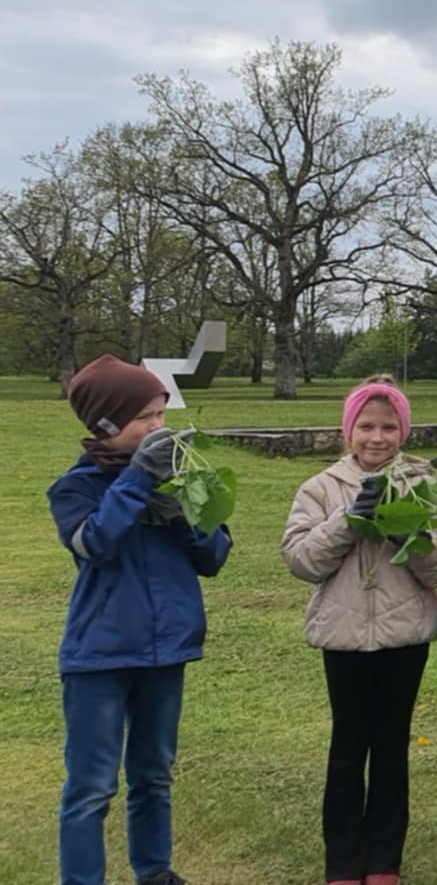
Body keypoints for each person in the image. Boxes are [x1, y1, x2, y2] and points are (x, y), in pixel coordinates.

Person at [50, 354, 233, 885]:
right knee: (92, 785)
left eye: (161, 413)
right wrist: (136, 481)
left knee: (153, 774)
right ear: (106, 424)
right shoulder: (76, 487)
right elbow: (95, 543)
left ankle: (154, 871)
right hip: (99, 655)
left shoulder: (175, 480)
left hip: (165, 649)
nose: (159, 427)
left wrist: (182, 516)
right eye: (145, 417)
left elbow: (214, 557)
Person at [281, 376, 437, 885]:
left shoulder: (421, 483)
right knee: (348, 748)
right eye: (366, 426)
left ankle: (384, 861)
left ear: (404, 432)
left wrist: (409, 532)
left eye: (389, 427)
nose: (377, 437)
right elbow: (302, 561)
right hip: (344, 637)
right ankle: (344, 862)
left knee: (392, 749)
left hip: (404, 636)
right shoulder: (321, 487)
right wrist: (348, 521)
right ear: (348, 430)